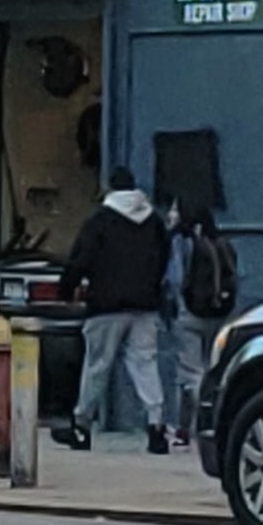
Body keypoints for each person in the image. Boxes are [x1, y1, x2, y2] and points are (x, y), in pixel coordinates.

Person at [53, 166, 169, 454]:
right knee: (145, 365)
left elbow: (81, 258)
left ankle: (81, 426)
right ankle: (156, 427)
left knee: (97, 367)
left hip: (105, 306)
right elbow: (164, 256)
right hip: (145, 306)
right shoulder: (154, 220)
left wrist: (66, 289)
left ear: (110, 188)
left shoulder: (100, 220)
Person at [164, 203, 237, 447]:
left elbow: (175, 279)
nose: (171, 214)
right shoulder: (222, 242)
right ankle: (187, 427)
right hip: (217, 314)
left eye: (175, 210)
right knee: (210, 370)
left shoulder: (181, 241)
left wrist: (172, 305)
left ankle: (200, 424)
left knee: (191, 374)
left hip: (189, 314)